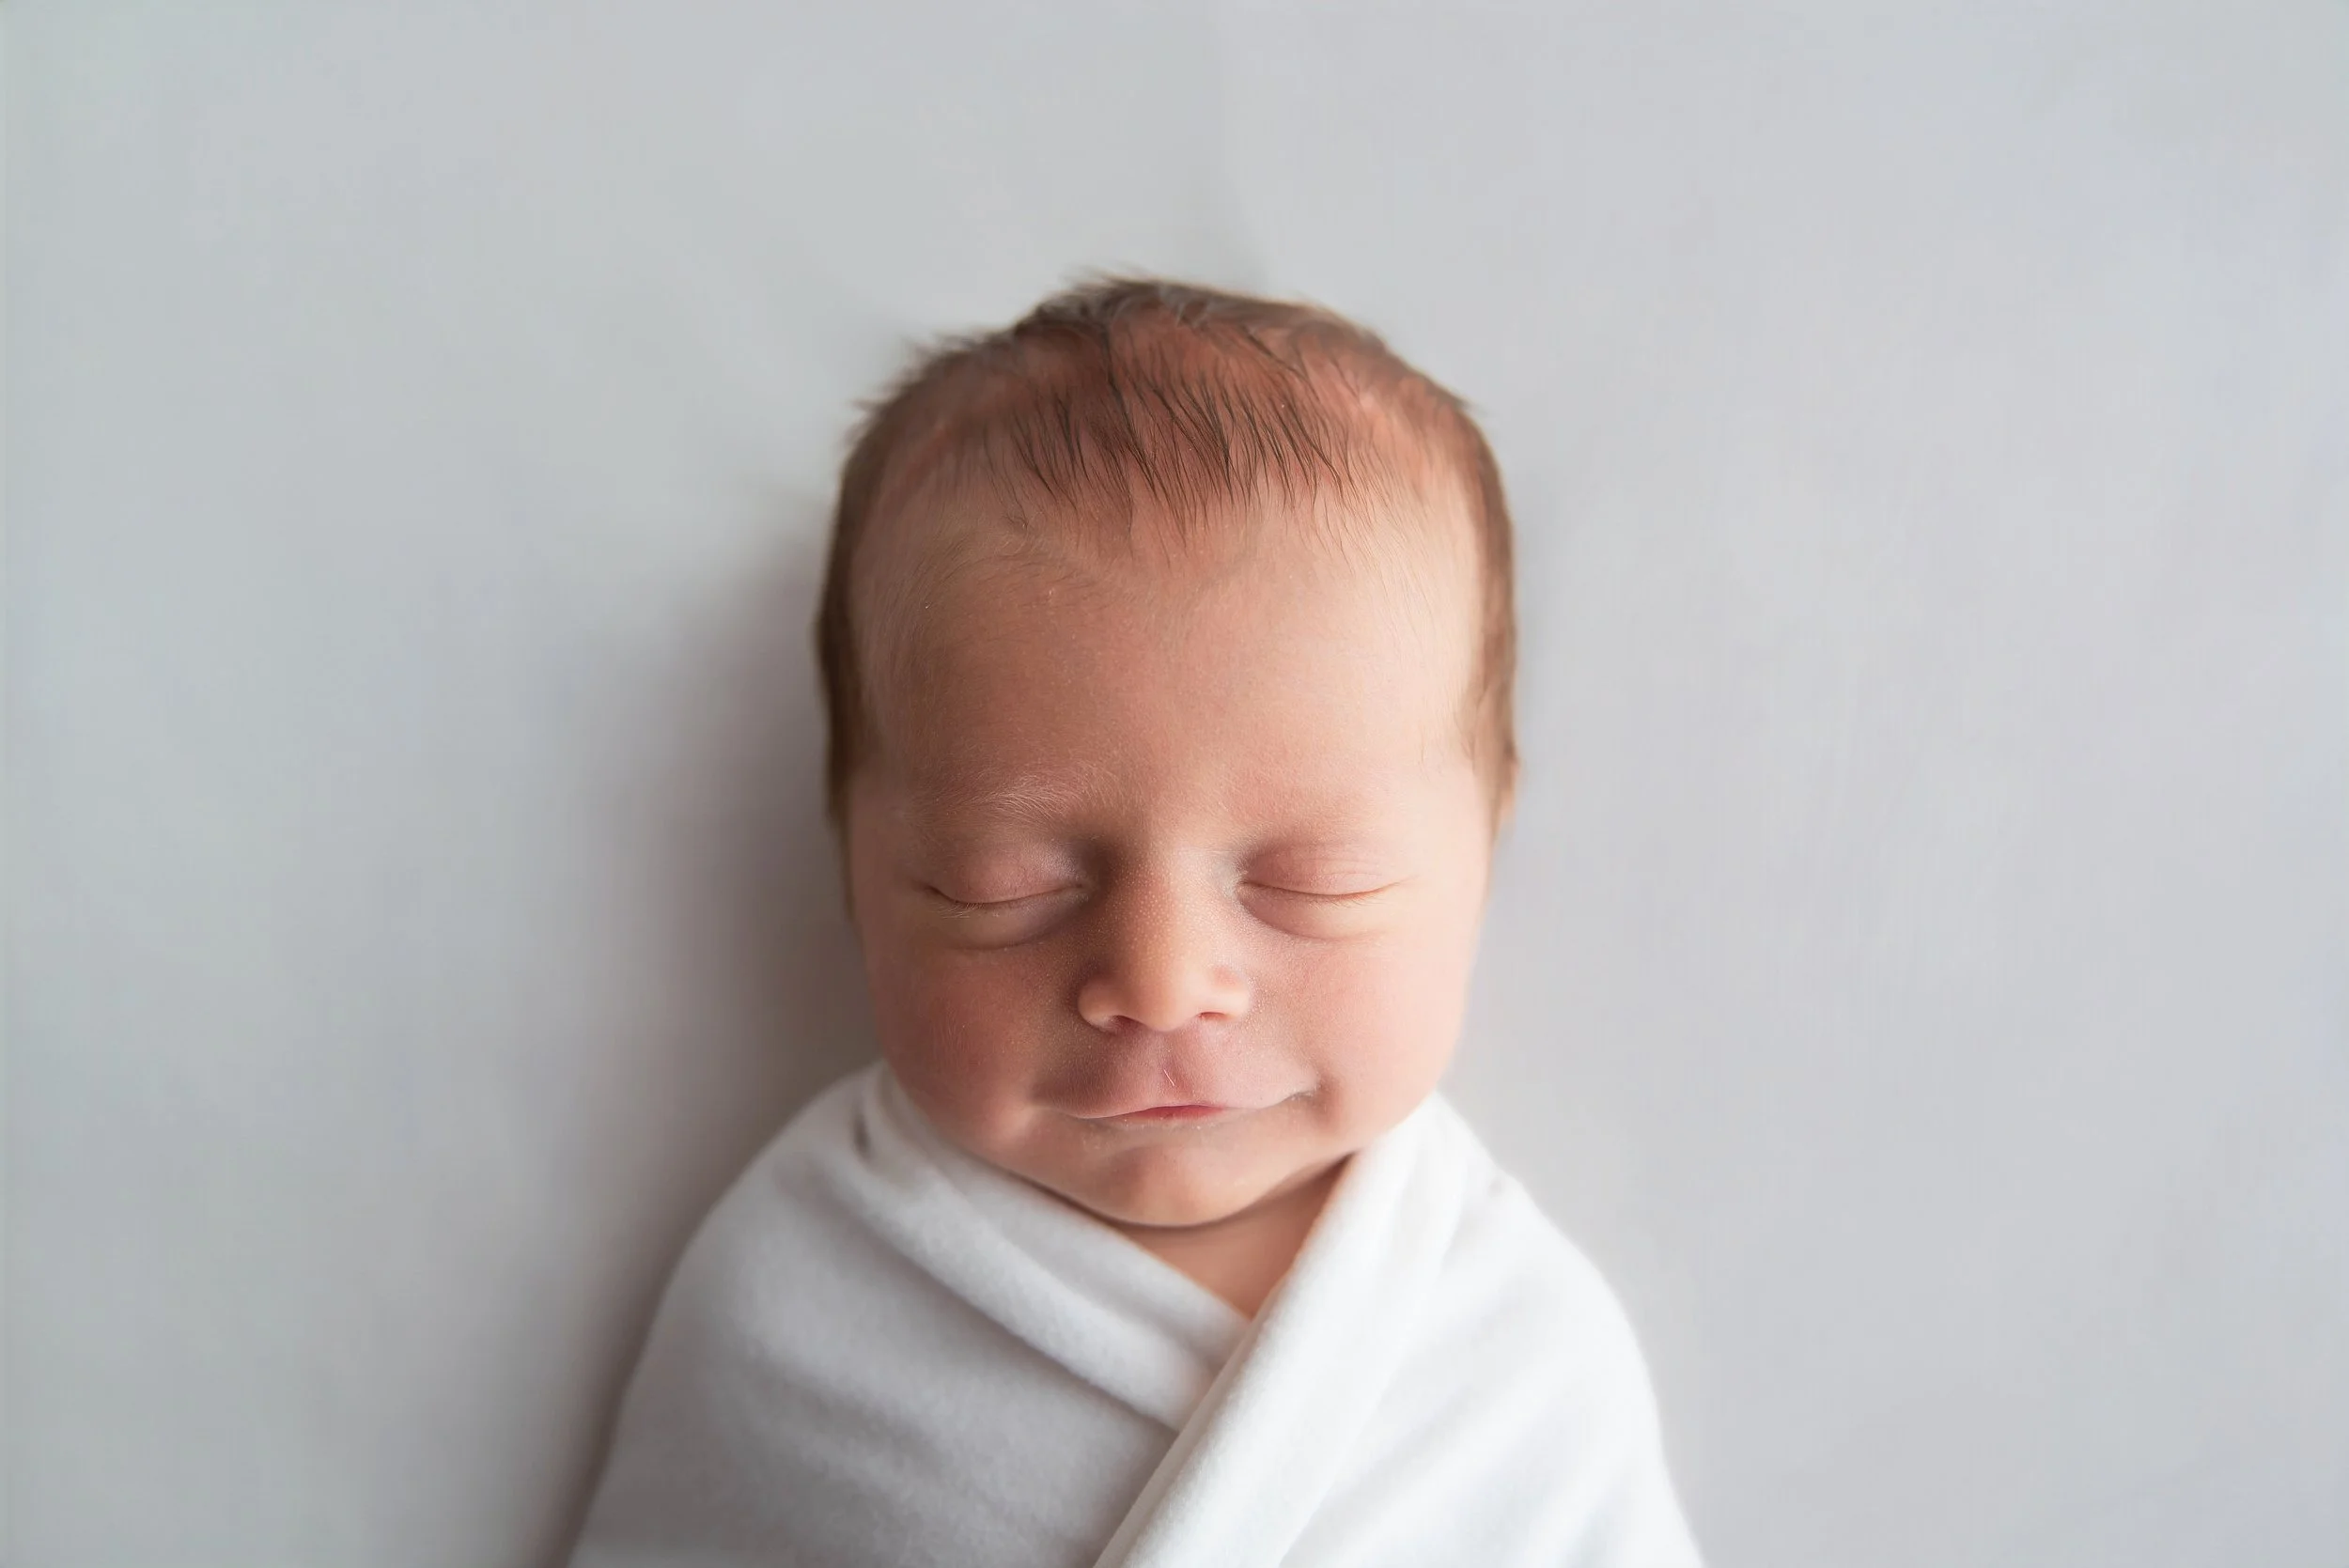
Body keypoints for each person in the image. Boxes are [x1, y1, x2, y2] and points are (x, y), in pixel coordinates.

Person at [568, 279, 1704, 1567]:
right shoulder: (792, 1303)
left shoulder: (1520, 1358)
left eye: (1315, 879)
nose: (1161, 982)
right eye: (1002, 885)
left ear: (1482, 852)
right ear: (851, 865)